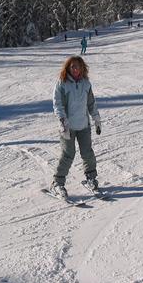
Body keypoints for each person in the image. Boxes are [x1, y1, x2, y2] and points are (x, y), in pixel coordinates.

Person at [51, 56, 102, 198]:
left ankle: (91, 178)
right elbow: (57, 104)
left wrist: (96, 119)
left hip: (84, 125)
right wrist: (62, 121)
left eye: (78, 66)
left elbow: (91, 103)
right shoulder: (62, 83)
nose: (75, 69)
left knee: (87, 153)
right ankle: (57, 183)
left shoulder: (86, 83)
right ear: (68, 67)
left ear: (82, 68)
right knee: (68, 154)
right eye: (72, 66)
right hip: (67, 126)